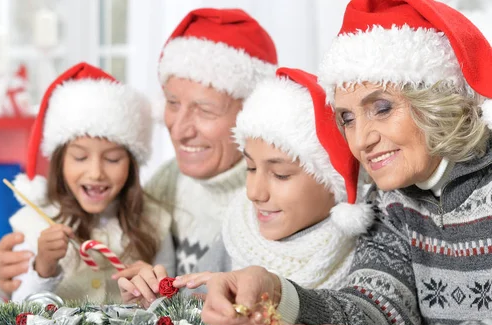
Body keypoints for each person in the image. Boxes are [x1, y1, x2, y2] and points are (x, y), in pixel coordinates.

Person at [201, 0, 492, 325]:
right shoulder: (392, 200)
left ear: (436, 98)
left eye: (382, 108)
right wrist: (278, 294)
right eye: (348, 118)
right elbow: (378, 308)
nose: (362, 139)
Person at [0, 8, 278, 296]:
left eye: (204, 110)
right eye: (172, 103)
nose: (178, 130)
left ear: (250, 113)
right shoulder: (168, 183)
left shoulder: (272, 202)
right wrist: (25, 273)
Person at [119, 68, 373, 306]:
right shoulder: (239, 229)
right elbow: (188, 308)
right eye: (250, 168)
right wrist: (156, 297)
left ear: (335, 181)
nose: (254, 192)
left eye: (280, 174)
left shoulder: (370, 250)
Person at [8, 62, 172, 303]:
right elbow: (16, 313)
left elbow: (173, 311)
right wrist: (43, 267)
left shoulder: (156, 222)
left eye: (113, 159)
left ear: (131, 164)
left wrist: (156, 293)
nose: (95, 173)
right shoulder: (32, 222)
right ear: (60, 161)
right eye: (80, 157)